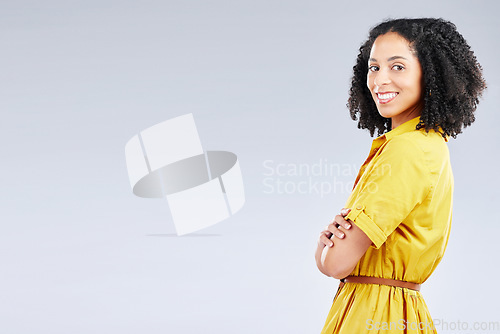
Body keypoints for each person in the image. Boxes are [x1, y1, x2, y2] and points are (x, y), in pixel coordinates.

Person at [314, 18, 486, 334]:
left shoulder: (405, 150)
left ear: (431, 75)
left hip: (373, 313)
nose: (380, 80)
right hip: (400, 311)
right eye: (374, 67)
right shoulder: (429, 145)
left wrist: (324, 250)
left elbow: (337, 263)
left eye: (397, 67)